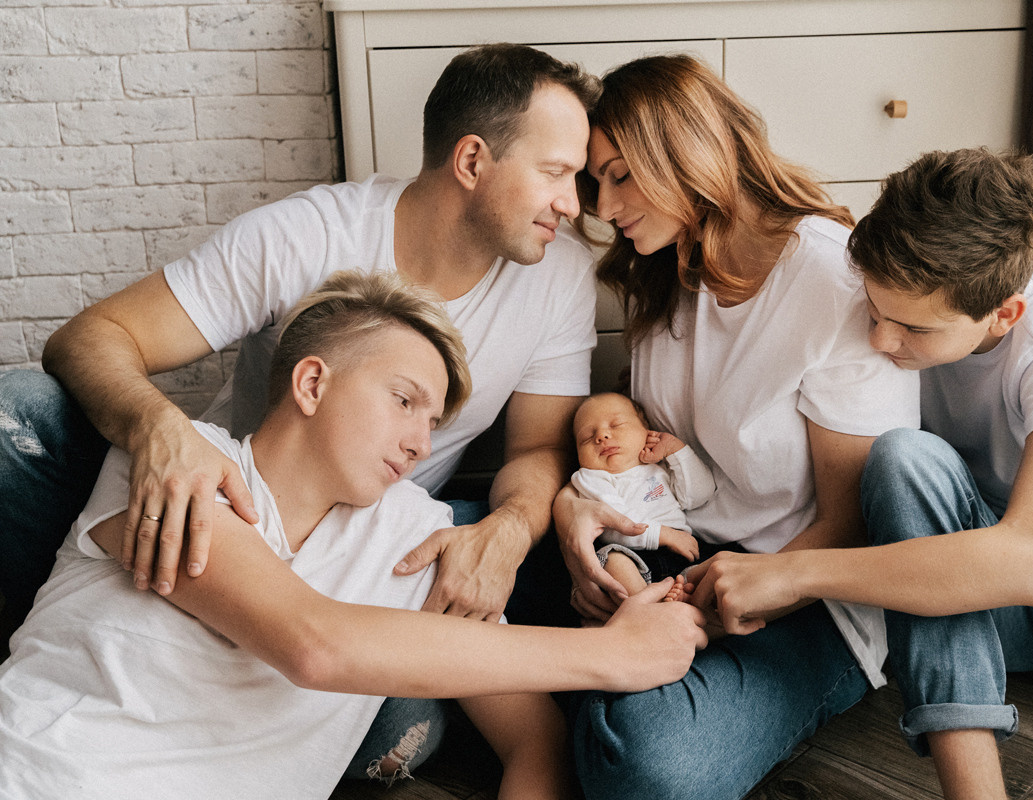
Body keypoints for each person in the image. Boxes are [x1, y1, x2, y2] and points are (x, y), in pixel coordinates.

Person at [0, 42, 596, 776]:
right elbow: (94, 336)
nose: (574, 204)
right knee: (18, 414)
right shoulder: (308, 234)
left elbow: (537, 452)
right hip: (228, 505)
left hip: (375, 551)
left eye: (432, 417)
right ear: (473, 161)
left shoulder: (560, 278)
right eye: (558, 174)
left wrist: (506, 531)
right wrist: (157, 431)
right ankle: (71, 611)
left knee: (396, 724)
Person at [0, 271, 708, 800]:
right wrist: (611, 655)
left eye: (433, 423)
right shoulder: (176, 460)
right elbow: (312, 644)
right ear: (312, 383)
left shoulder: (418, 536)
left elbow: (534, 741)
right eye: (404, 401)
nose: (418, 442)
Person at [686, 147, 1033, 800]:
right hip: (980, 598)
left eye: (913, 328)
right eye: (875, 312)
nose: (880, 340)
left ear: (1004, 314)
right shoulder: (886, 325)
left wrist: (792, 571)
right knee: (903, 457)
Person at [554, 54, 919, 799]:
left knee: (648, 763)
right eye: (595, 181)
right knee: (443, 549)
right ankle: (571, 680)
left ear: (686, 148)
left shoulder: (831, 282)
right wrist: (580, 510)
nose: (601, 204)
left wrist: (700, 611)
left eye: (620, 174)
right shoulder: (662, 270)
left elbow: (854, 523)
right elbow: (647, 441)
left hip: (802, 597)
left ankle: (545, 689)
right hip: (669, 550)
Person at [570, 391, 714, 595]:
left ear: (645, 428)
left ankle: (684, 599)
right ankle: (648, 607)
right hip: (635, 557)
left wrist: (676, 451)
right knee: (613, 562)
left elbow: (699, 495)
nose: (601, 436)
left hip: (683, 551)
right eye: (587, 437)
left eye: (616, 425)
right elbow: (615, 523)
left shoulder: (661, 465)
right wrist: (663, 534)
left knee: (722, 563)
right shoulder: (592, 478)